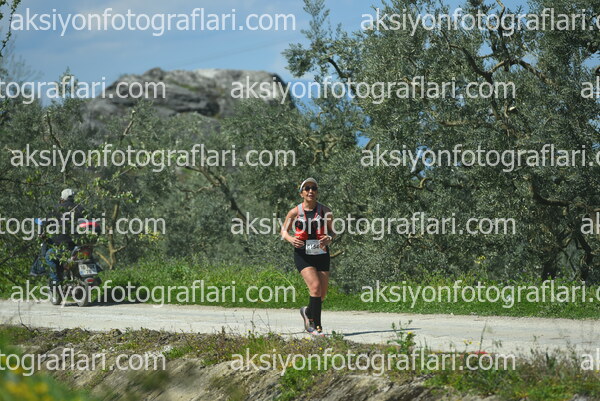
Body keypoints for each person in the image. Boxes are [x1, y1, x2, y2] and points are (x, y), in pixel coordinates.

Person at [281, 178, 334, 336]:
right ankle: (316, 327)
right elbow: (284, 231)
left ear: (317, 192)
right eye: (307, 188)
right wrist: (291, 239)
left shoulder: (325, 211)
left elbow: (333, 231)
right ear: (301, 193)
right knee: (315, 287)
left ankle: (307, 312)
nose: (311, 191)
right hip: (303, 254)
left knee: (322, 294)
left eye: (314, 188)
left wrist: (329, 238)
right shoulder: (295, 212)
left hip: (321, 253)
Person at [44, 188, 86, 284]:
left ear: (62, 198)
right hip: (78, 246)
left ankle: (56, 282)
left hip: (63, 247)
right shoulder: (80, 208)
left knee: (48, 256)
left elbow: (46, 224)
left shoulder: (55, 209)